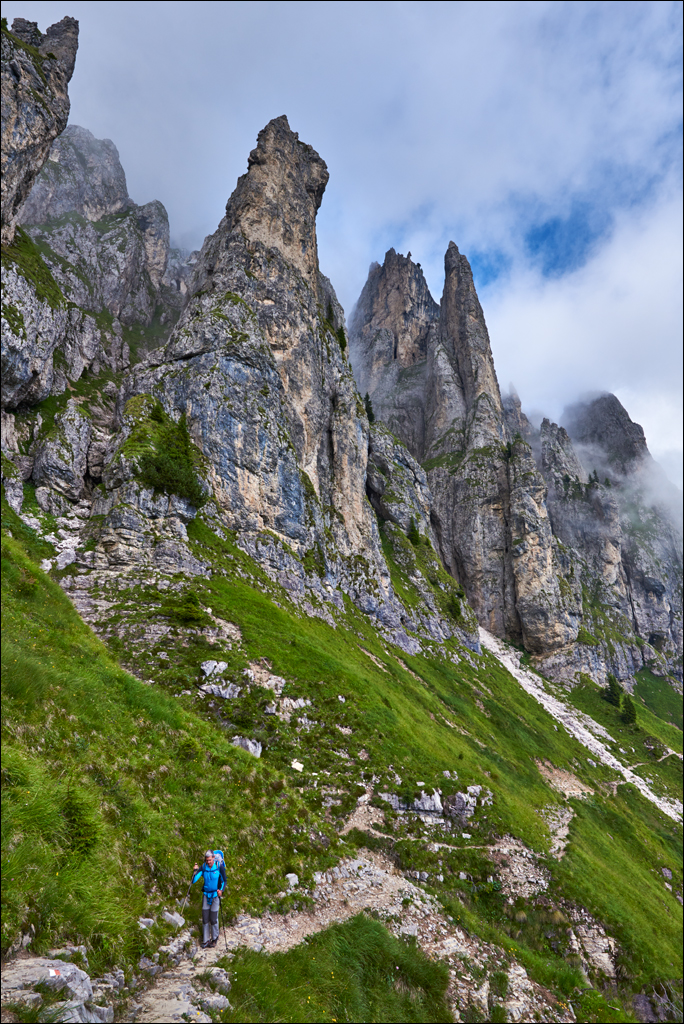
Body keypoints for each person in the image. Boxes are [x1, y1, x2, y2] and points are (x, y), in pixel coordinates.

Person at [192, 850, 224, 948]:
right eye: (207, 860)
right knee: (205, 918)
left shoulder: (219, 867)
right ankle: (206, 940)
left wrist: (221, 890)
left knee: (213, 918)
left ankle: (214, 938)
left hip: (215, 895)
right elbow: (193, 881)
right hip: (206, 895)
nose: (208, 862)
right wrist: (194, 871)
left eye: (210, 860)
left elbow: (224, 881)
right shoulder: (204, 867)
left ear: (213, 858)